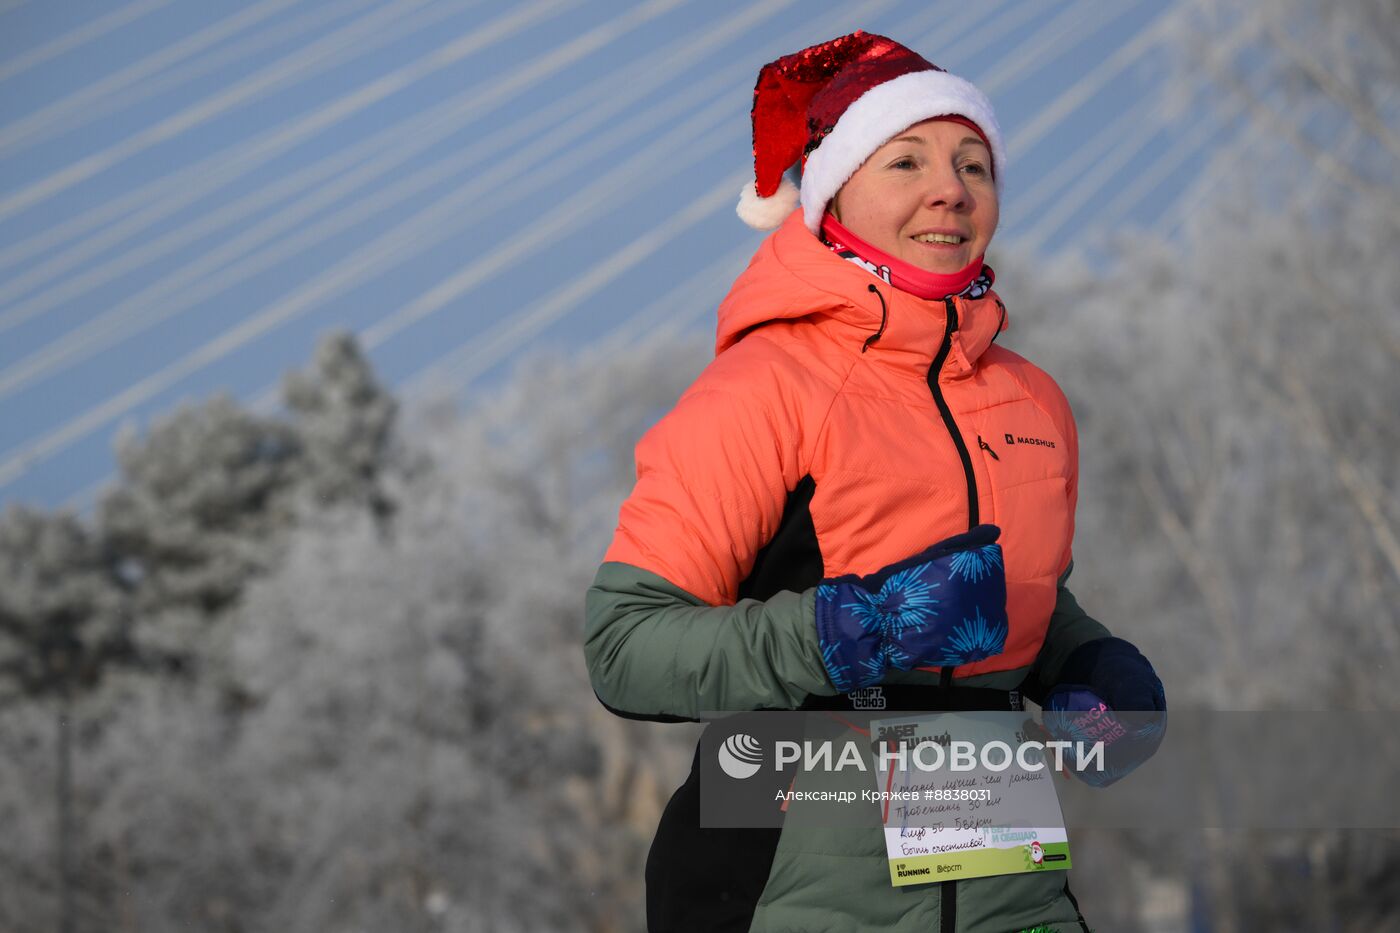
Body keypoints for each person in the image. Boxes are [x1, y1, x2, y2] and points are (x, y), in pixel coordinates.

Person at [584, 31, 1166, 933]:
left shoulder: (1033, 398)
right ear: (835, 193)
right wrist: (844, 631)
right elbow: (624, 648)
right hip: (784, 885)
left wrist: (1083, 665)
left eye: (976, 163)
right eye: (906, 160)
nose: (952, 188)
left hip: (1006, 890)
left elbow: (1015, 597)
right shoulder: (765, 387)